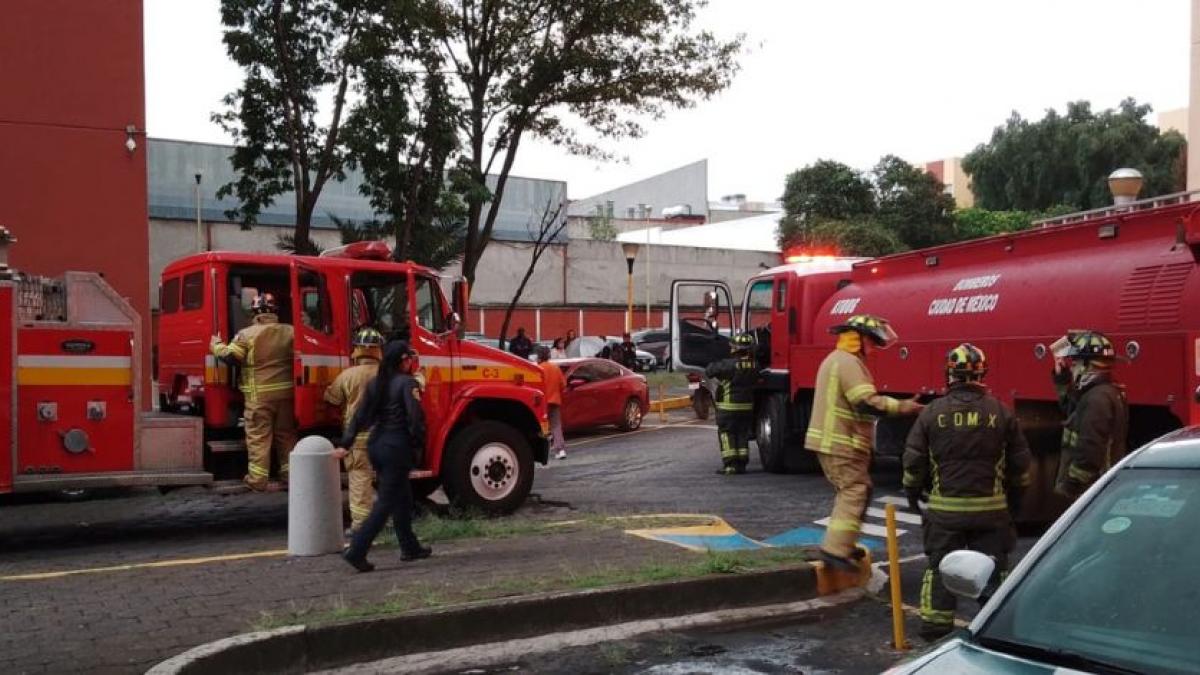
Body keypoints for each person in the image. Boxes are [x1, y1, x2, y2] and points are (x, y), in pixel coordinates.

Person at [902, 343, 1032, 641]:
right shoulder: (1001, 412)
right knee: (994, 571)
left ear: (949, 374)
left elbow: (913, 462)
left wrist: (913, 494)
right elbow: (1021, 467)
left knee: (940, 569)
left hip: (945, 515)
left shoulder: (932, 413)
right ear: (981, 373)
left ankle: (935, 628)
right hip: (991, 514)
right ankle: (998, 627)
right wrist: (1014, 505)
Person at [805, 314, 922, 571]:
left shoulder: (842, 360)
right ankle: (835, 551)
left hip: (839, 441)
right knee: (854, 490)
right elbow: (865, 400)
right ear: (857, 339)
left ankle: (843, 544)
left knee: (858, 489)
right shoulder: (847, 363)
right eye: (872, 342)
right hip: (841, 442)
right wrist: (905, 407)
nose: (875, 348)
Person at [336, 341, 432, 572]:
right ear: (403, 360)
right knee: (387, 502)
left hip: (376, 445)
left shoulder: (376, 384)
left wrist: (345, 444)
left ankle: (410, 547)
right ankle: (357, 550)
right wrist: (418, 445)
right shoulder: (407, 383)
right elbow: (415, 418)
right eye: (410, 358)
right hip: (396, 447)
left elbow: (359, 417)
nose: (412, 362)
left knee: (402, 498)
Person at [210, 292, 297, 491]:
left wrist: (216, 345)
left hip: (259, 397)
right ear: (275, 312)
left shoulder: (247, 334)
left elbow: (231, 357)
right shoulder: (291, 331)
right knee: (286, 436)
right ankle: (290, 475)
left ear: (255, 313)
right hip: (287, 396)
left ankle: (258, 480)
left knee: (259, 438)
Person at [1050, 330, 1129, 500]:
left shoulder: (1097, 399)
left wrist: (1071, 485)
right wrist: (1062, 377)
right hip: (1096, 487)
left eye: (1075, 361)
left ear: (1087, 364)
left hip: (1092, 489)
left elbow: (1090, 449)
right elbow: (1071, 411)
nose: (1072, 366)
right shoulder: (1099, 392)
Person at [324, 327, 385, 536]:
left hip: (358, 440)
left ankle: (361, 526)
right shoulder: (387, 374)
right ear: (379, 350)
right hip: (385, 437)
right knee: (389, 480)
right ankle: (391, 520)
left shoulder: (347, 375)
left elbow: (331, 399)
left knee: (360, 481)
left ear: (357, 349)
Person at [705, 332, 758, 475]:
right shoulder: (755, 365)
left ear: (735, 348)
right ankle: (742, 464)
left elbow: (710, 371)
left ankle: (730, 465)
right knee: (742, 434)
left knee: (727, 434)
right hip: (747, 408)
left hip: (728, 408)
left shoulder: (728, 365)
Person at [537, 346, 568, 460]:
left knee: (541, 425)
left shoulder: (538, 369)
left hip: (542, 402)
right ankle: (560, 450)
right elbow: (563, 385)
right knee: (556, 425)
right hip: (555, 400)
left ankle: (542, 448)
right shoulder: (555, 368)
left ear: (539, 356)